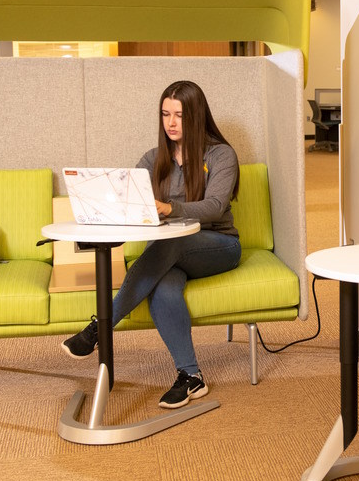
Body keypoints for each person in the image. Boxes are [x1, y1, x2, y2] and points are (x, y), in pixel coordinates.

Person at [62, 81, 241, 409]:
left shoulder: (220, 154)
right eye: (165, 114)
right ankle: (191, 376)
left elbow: (215, 205)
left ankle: (100, 327)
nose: (171, 122)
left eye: (180, 115)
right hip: (168, 252)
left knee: (171, 245)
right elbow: (132, 204)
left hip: (218, 246)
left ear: (197, 117)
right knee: (164, 287)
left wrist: (171, 209)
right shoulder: (152, 159)